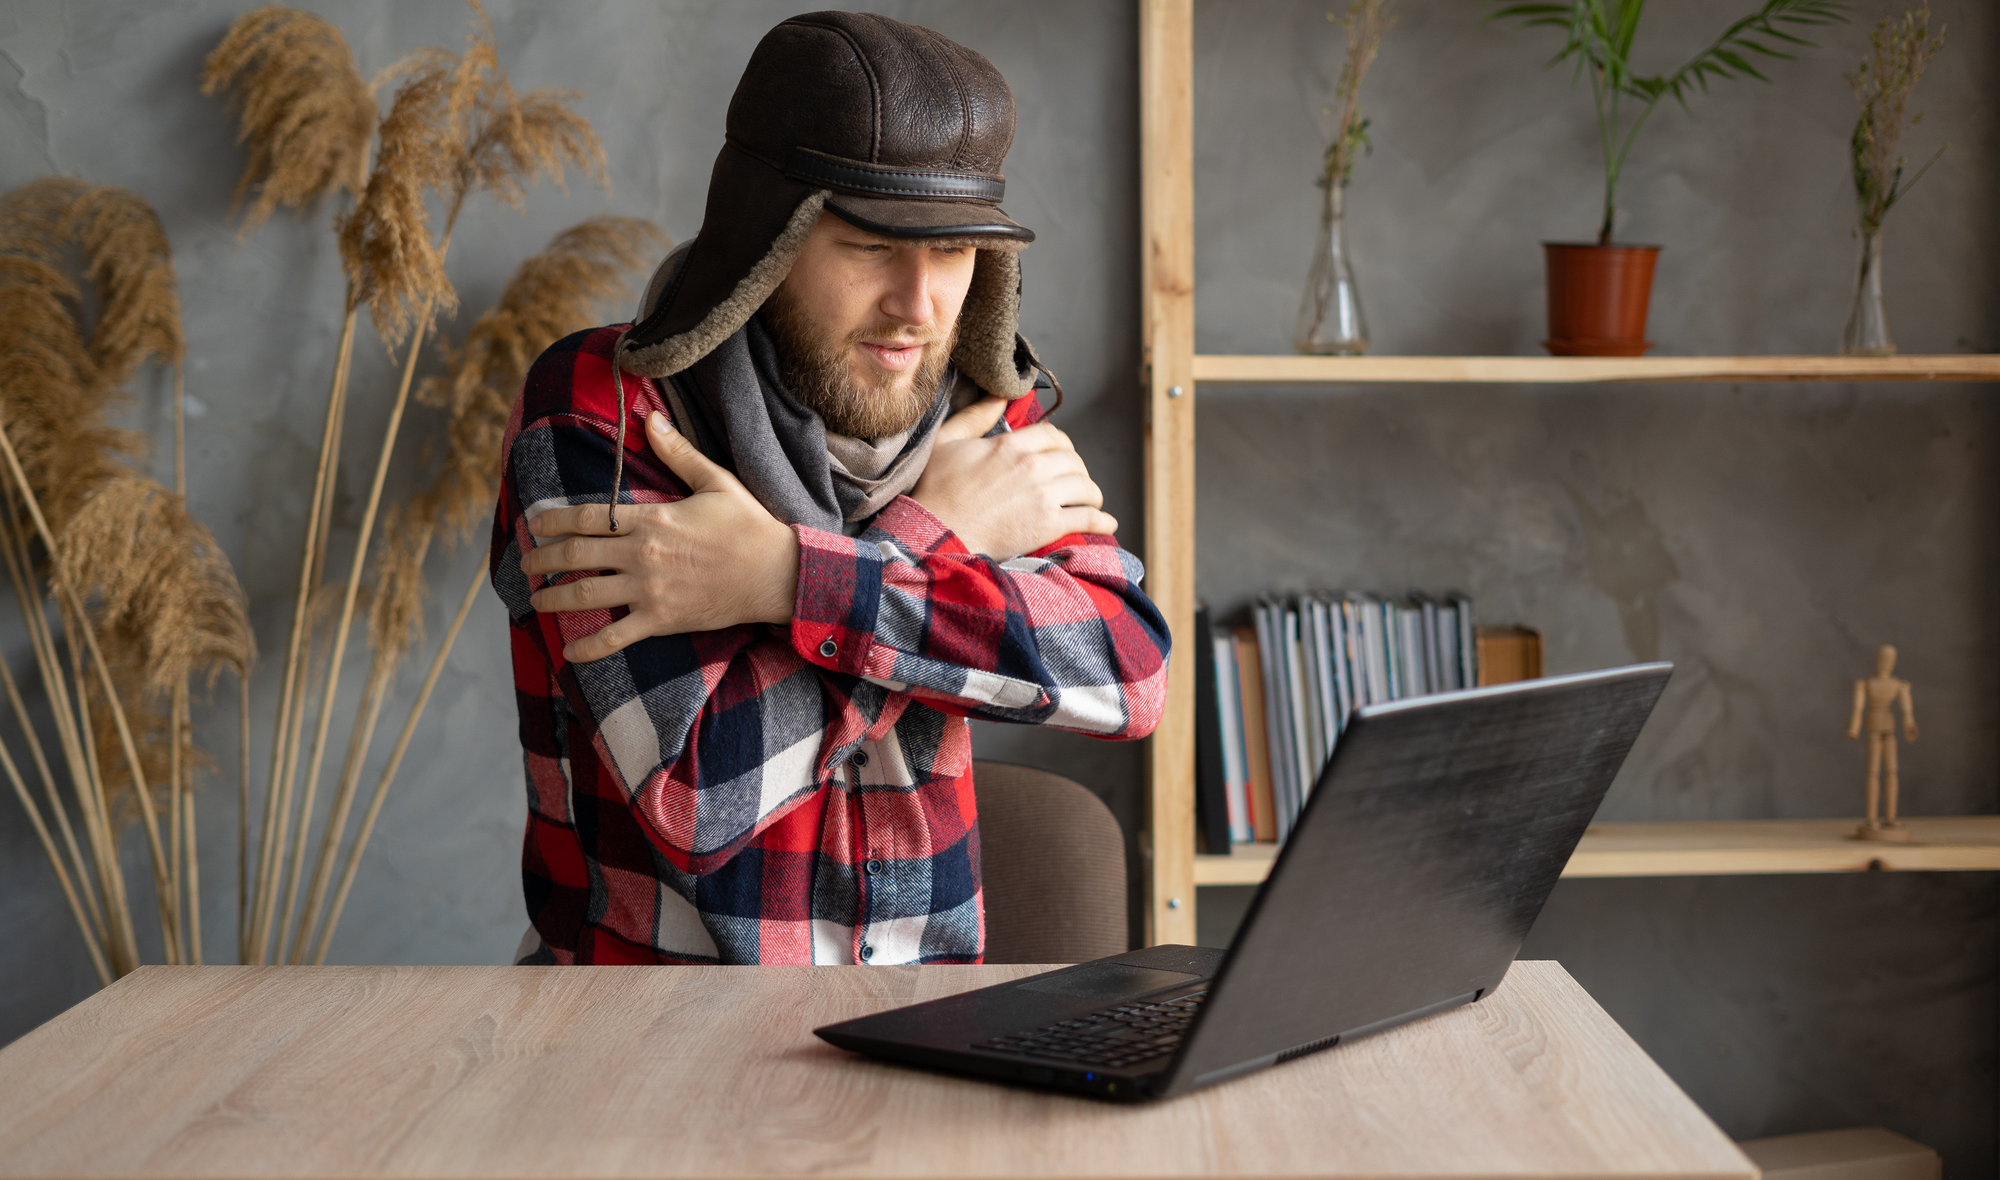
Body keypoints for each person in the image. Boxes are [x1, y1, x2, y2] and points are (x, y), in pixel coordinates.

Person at [488, 12, 1169, 965]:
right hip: (642, 1036)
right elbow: (696, 793)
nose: (920, 306)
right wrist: (936, 538)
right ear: (765, 241)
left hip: (921, 1020)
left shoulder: (982, 416)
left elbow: (1129, 676)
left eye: (955, 253)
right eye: (868, 246)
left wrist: (781, 579)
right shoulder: (598, 415)